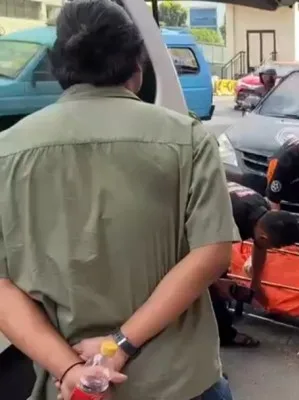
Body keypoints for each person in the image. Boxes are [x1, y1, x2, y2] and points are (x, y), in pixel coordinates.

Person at [0, 1, 237, 400]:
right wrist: (118, 346)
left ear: (60, 67)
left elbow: (3, 287)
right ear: (137, 66)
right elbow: (213, 253)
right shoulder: (186, 137)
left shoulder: (7, 151)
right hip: (179, 381)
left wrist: (72, 370)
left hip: (75, 388)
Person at [211, 182, 299, 348]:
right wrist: (217, 282)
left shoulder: (263, 212)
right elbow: (202, 253)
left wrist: (256, 282)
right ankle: (224, 335)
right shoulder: (230, 221)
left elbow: (260, 247)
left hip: (212, 214)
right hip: (182, 221)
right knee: (210, 290)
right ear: (265, 237)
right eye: (275, 247)